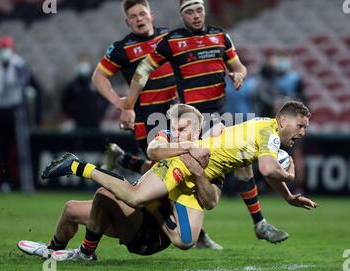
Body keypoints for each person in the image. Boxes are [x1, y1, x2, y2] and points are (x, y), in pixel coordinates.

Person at [41, 101, 318, 261]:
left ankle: (149, 200)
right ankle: (76, 165)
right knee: (135, 197)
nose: (302, 132)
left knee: (185, 240)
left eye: (305, 127)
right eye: (300, 125)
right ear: (282, 120)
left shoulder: (264, 129)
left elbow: (265, 171)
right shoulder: (268, 133)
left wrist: (288, 196)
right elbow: (269, 169)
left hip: (197, 172)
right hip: (182, 163)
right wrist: (290, 175)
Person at [116, 0, 286, 244]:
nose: (195, 16)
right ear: (182, 15)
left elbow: (238, 66)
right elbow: (143, 70)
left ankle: (257, 223)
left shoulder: (220, 36)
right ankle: (194, 229)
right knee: (181, 171)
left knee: (240, 162)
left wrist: (238, 73)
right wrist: (129, 104)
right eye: (189, 12)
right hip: (190, 121)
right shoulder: (172, 41)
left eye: (199, 10)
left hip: (218, 118)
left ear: (204, 10)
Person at [18, 104, 223, 260]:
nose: (176, 133)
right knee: (71, 209)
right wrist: (186, 146)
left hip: (154, 233)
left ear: (197, 132)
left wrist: (198, 171)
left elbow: (211, 201)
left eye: (183, 129)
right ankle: (51, 251)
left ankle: (86, 253)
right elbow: (153, 151)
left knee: (105, 194)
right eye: (174, 128)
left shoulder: (211, 158)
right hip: (137, 212)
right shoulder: (168, 140)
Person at [92, 0, 177, 153]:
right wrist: (117, 102)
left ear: (151, 15)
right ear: (127, 22)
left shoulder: (168, 36)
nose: (139, 19)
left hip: (175, 113)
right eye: (133, 16)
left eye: (142, 14)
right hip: (146, 119)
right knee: (162, 167)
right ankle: (124, 161)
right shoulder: (122, 48)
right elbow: (98, 77)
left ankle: (123, 159)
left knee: (175, 167)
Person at [0, 35, 31, 192]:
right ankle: (3, 182)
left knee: (19, 148)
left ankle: (21, 182)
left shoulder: (18, 63)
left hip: (15, 109)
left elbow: (23, 82)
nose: (5, 51)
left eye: (7, 48)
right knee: (0, 149)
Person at [259, 51, 307, 193]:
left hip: (292, 122)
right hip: (277, 123)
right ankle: (277, 186)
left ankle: (298, 186)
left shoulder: (294, 79)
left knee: (296, 154)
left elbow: (303, 100)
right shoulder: (273, 79)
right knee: (274, 154)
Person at [61, 53, 108, 130]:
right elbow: (65, 102)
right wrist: (74, 114)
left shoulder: (96, 83)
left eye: (85, 62)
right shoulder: (73, 85)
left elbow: (106, 98)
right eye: (81, 63)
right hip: (79, 123)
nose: (83, 66)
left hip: (95, 122)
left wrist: (100, 112)